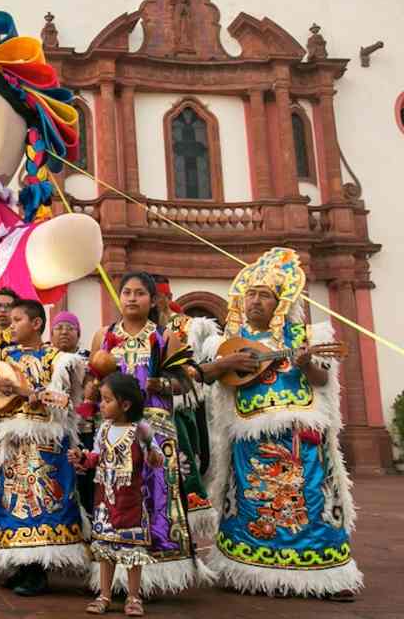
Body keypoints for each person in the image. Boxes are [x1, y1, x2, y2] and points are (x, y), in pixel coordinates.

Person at [191, 248, 362, 600]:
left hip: (301, 440)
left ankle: (325, 576)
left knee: (312, 506)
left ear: (280, 302)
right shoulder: (225, 345)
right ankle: (249, 572)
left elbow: (321, 381)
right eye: (251, 294)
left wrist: (304, 365)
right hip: (249, 444)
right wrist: (229, 363)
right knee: (252, 508)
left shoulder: (306, 336)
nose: (256, 301)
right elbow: (207, 378)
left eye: (264, 295)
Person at [89, 273, 209, 597]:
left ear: (152, 300)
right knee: (115, 499)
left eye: (139, 293)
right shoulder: (103, 335)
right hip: (114, 431)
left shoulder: (164, 336)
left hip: (154, 427)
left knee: (154, 498)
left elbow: (185, 382)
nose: (131, 298)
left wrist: (163, 385)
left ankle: (154, 576)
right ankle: (112, 577)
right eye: (126, 292)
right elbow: (92, 379)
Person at [0, 299, 86, 597]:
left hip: (44, 443)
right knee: (12, 503)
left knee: (42, 504)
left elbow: (68, 403)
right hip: (11, 442)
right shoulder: (3, 356)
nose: (12, 323)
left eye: (18, 319)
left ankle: (38, 570)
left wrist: (26, 391)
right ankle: (22, 564)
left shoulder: (58, 359)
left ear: (36, 323)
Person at [70, 373, 164, 617]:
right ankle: (104, 595)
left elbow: (156, 457)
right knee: (105, 549)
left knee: (132, 552)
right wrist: (82, 458)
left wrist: (153, 456)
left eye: (107, 400)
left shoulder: (140, 430)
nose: (101, 405)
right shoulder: (103, 430)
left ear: (125, 404)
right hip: (106, 499)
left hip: (131, 500)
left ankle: (133, 596)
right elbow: (95, 457)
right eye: (101, 399)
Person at [151, 275, 215, 539]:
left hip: (182, 407)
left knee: (185, 468)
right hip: (145, 411)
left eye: (157, 296)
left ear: (168, 297)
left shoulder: (191, 327)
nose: (154, 302)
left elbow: (204, 368)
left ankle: (181, 534)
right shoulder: (129, 329)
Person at [51, 310, 97, 516]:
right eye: (59, 328)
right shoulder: (45, 358)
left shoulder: (89, 359)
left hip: (84, 428)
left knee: (85, 480)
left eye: (70, 328)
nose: (64, 332)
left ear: (78, 334)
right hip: (53, 431)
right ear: (50, 334)